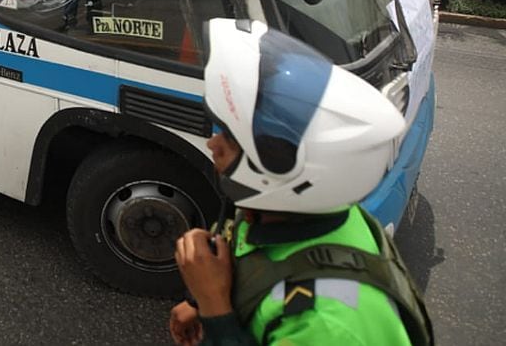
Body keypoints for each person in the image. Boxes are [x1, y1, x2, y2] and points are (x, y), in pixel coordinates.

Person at [169, 18, 431, 346]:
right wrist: (199, 301)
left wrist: (214, 308)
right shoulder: (291, 212)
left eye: (232, 139)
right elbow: (249, 254)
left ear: (292, 177)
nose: (214, 144)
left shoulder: (329, 326)